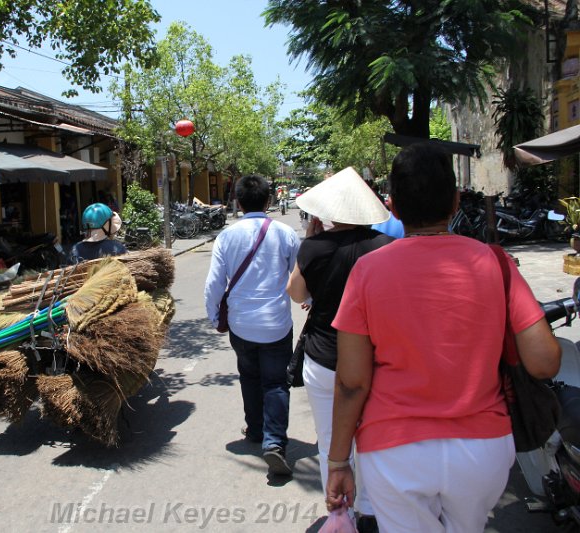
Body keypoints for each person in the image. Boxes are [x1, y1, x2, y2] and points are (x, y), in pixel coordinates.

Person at [326, 143, 562, 531]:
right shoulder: (496, 262)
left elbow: (352, 382)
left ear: (393, 207)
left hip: (394, 450)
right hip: (482, 448)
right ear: (455, 202)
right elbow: (544, 361)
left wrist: (338, 461)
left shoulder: (367, 272)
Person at [286, 167, 394, 532]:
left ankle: (340, 511)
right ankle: (370, 510)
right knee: (371, 437)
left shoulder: (314, 247)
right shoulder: (385, 246)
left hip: (324, 356)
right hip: (374, 357)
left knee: (330, 441)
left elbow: (297, 294)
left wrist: (309, 244)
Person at [204, 175, 300, 475]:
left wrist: (214, 317)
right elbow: (299, 277)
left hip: (240, 324)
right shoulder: (286, 233)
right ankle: (274, 442)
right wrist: (307, 300)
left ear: (238, 202)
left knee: (249, 376)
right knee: (276, 383)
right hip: (276, 324)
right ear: (268, 200)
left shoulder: (226, 236)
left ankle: (256, 429)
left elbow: (214, 283)